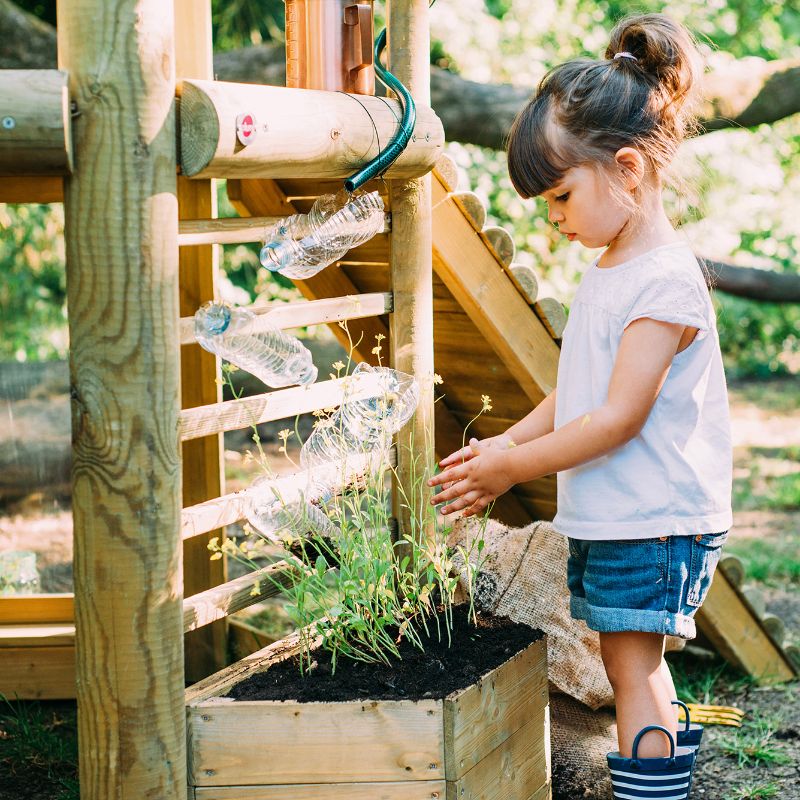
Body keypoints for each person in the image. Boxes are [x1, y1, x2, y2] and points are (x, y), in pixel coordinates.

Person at [428, 12, 732, 796]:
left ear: (628, 169)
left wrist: (509, 469)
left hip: (655, 519)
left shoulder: (663, 281)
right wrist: (502, 446)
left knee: (633, 670)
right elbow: (576, 394)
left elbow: (617, 418)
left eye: (560, 196)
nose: (554, 218)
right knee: (626, 664)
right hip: (622, 514)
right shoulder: (610, 269)